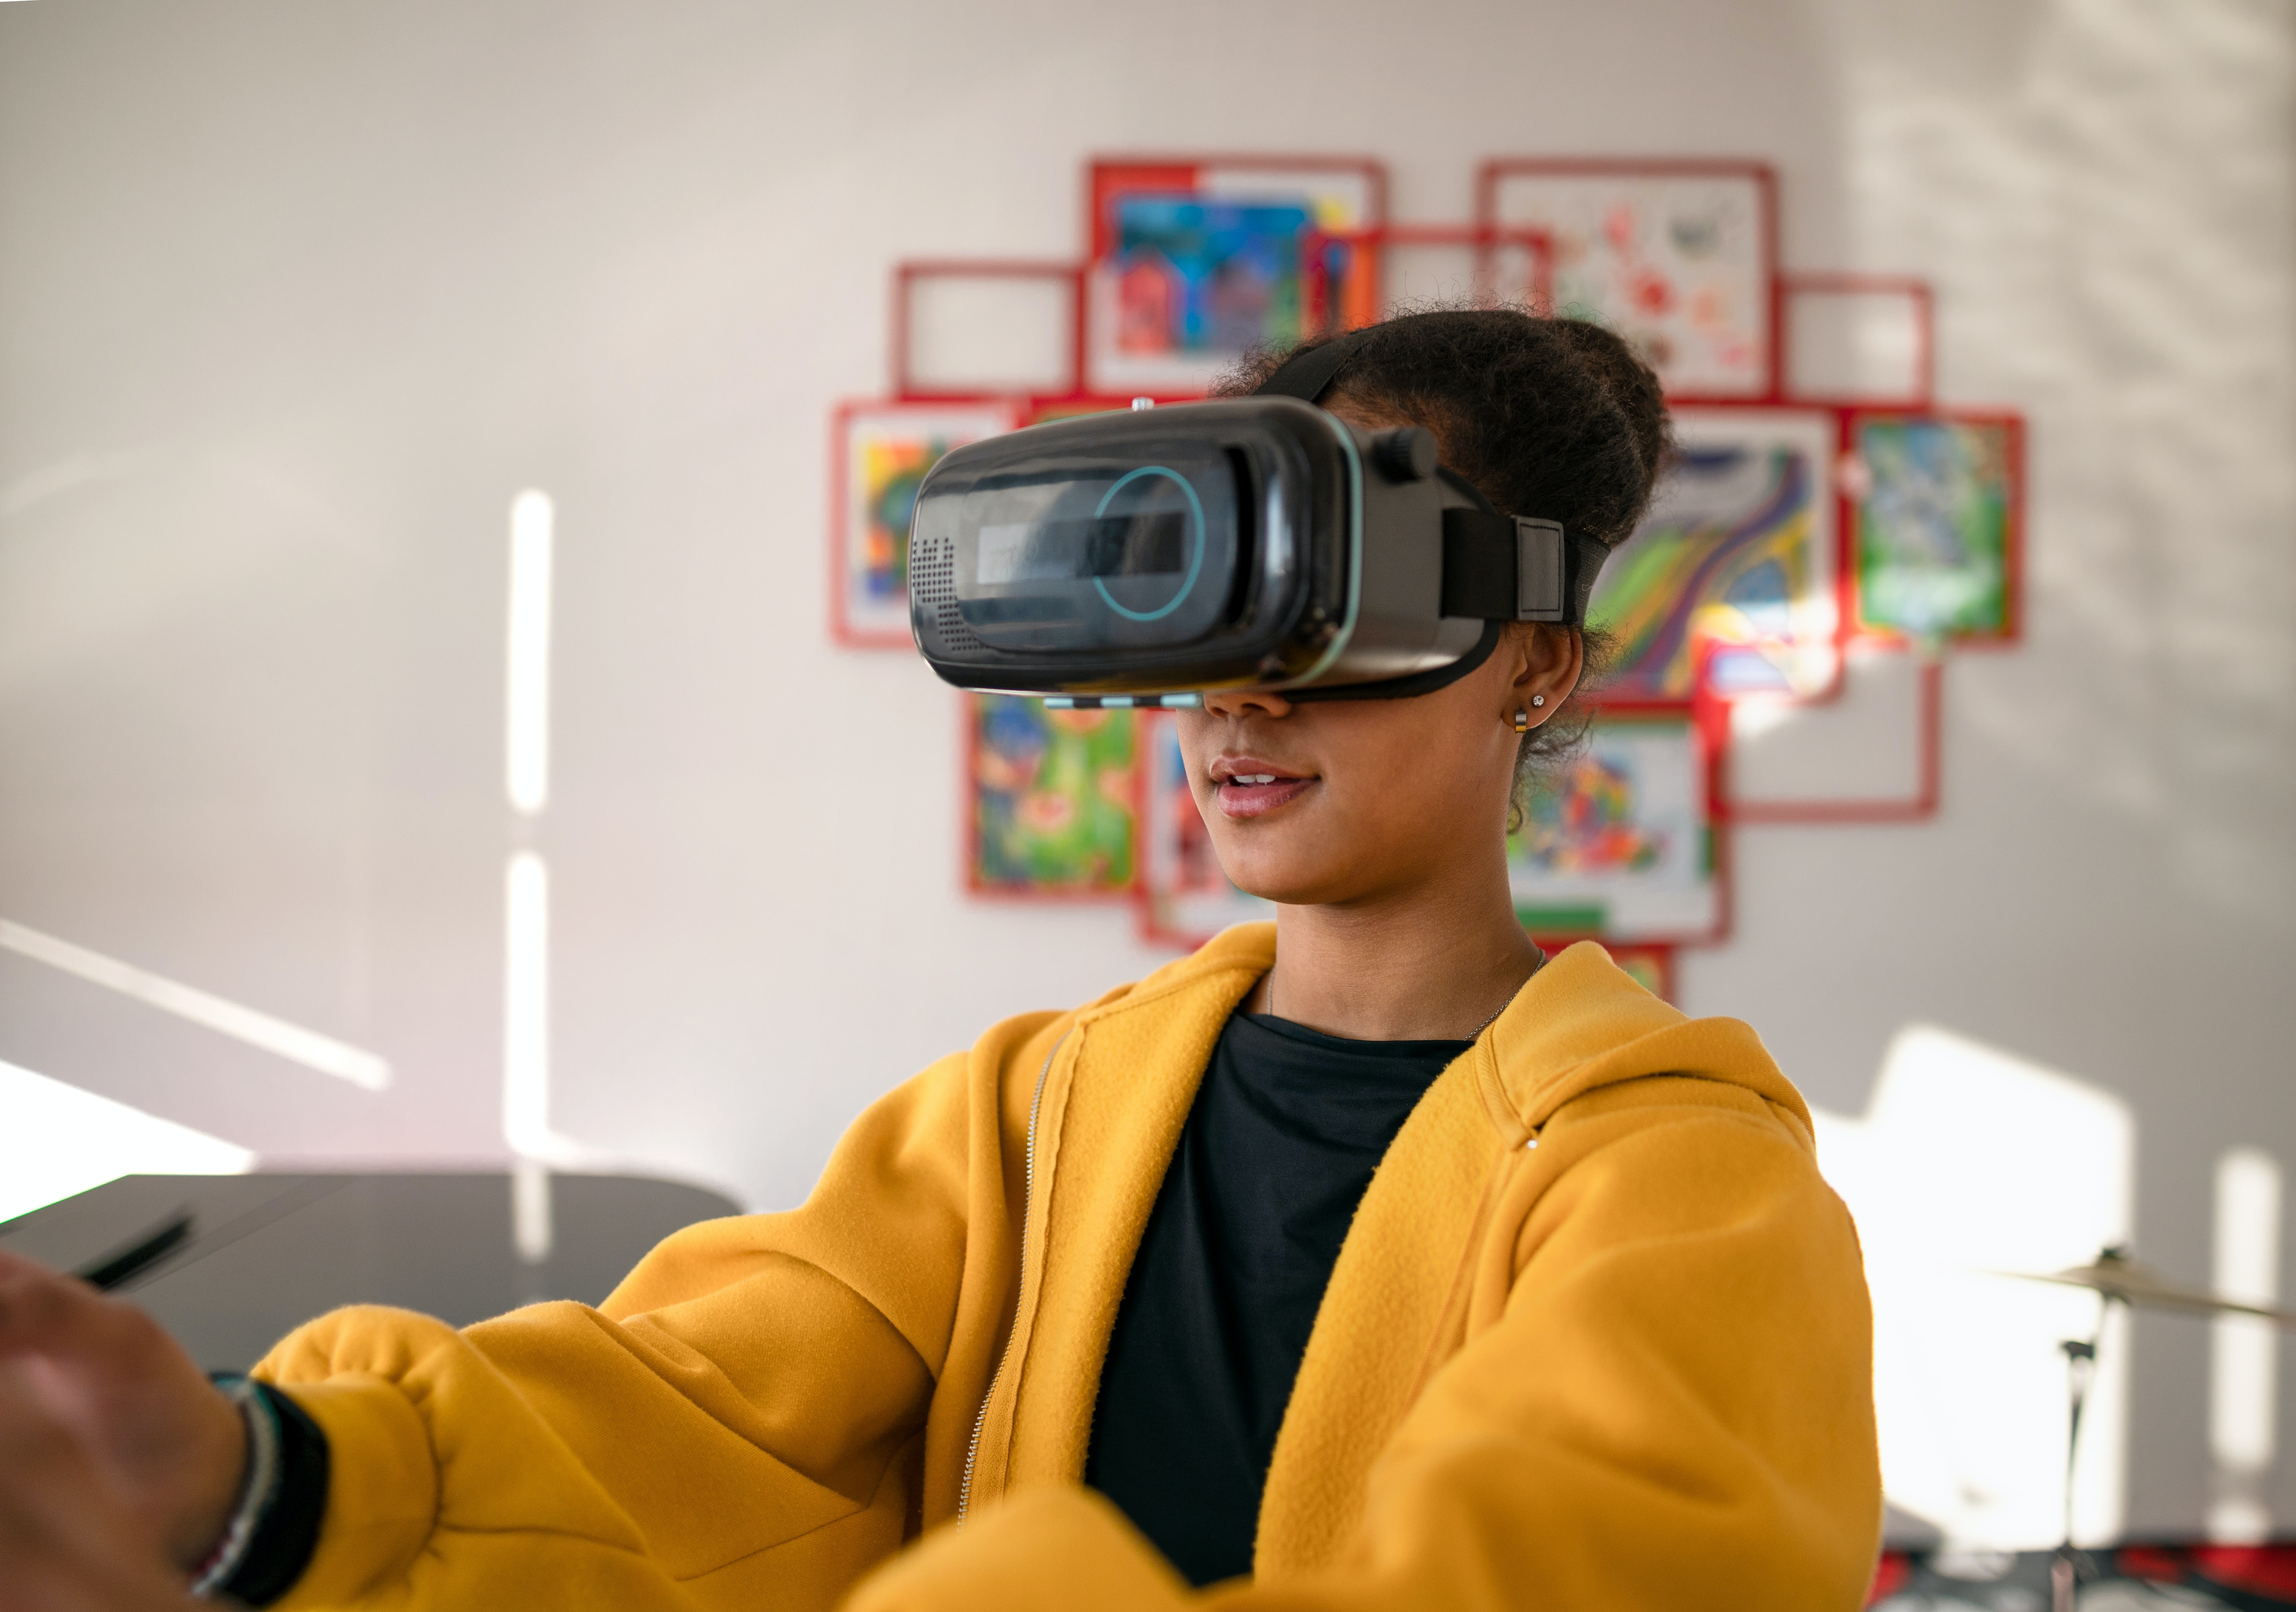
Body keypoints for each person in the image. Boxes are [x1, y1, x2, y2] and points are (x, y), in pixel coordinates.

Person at [0, 309, 1881, 1612]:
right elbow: (689, 1406)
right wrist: (251, 1473)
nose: (1238, 690)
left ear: (1537, 660)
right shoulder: (1027, 1110)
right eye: (1217, 596)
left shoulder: (1688, 1188)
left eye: (1342, 600)